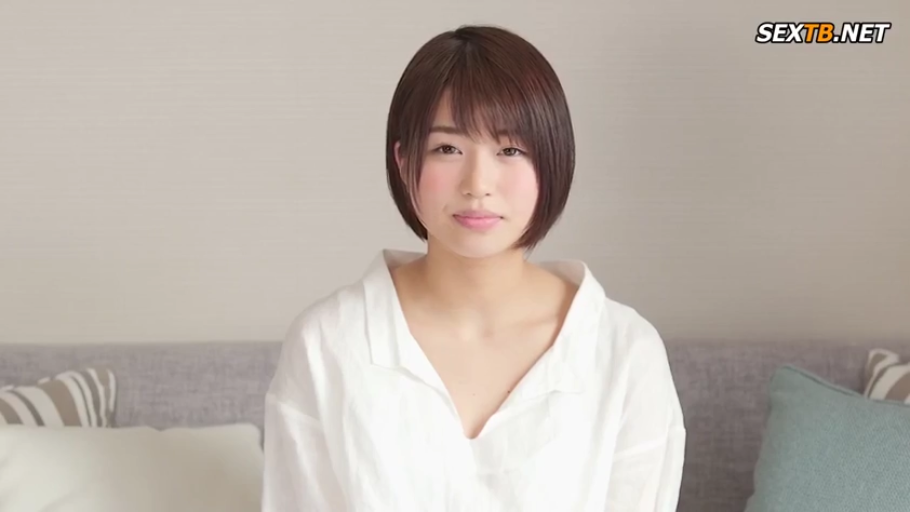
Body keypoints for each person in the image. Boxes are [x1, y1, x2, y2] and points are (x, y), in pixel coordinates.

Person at [262, 24, 685, 512]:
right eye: (448, 149)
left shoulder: (624, 353)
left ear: (553, 160)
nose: (478, 183)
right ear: (403, 161)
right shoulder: (327, 346)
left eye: (510, 150)